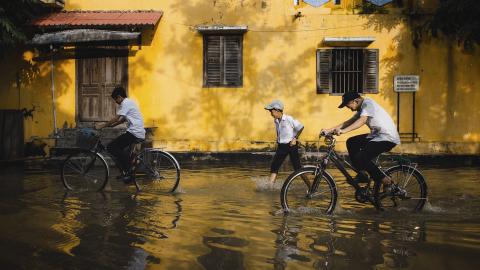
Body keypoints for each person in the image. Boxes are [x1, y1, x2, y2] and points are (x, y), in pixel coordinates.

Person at [321, 92, 401, 191]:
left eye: (348, 105)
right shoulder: (362, 107)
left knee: (361, 157)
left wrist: (342, 131)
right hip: (377, 136)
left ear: (356, 101)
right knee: (352, 142)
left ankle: (386, 180)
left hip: (387, 137)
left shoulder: (368, 104)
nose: (348, 108)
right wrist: (329, 130)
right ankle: (362, 173)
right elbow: (349, 122)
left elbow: (362, 121)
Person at [95, 86, 145, 183]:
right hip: (136, 131)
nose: (116, 102)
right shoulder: (130, 102)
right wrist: (111, 126)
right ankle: (127, 171)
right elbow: (122, 120)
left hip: (134, 132)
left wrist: (102, 126)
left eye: (115, 99)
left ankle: (128, 170)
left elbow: (117, 118)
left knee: (111, 147)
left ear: (119, 97)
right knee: (120, 148)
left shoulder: (125, 103)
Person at [265, 100, 305, 185]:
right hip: (281, 146)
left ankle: (310, 186)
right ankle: (270, 187)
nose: (271, 114)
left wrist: (295, 138)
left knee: (298, 169)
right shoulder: (276, 121)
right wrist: (278, 140)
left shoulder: (288, 119)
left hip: (291, 146)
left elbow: (301, 127)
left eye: (271, 111)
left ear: (277, 110)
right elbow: (279, 132)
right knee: (274, 166)